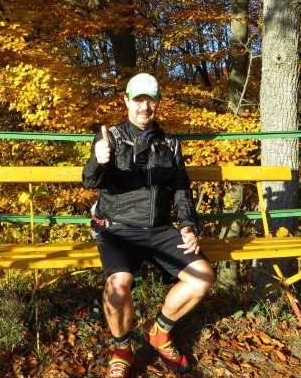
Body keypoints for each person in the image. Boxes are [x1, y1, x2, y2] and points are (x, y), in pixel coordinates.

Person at [82, 73, 214, 377]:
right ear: (126, 101)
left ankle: (160, 333)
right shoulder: (110, 137)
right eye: (138, 99)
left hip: (160, 228)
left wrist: (188, 225)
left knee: (202, 278)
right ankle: (122, 349)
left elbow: (180, 188)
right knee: (118, 285)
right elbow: (90, 182)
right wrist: (98, 160)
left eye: (150, 99)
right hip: (117, 228)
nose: (144, 106)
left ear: (157, 102)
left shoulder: (170, 143)